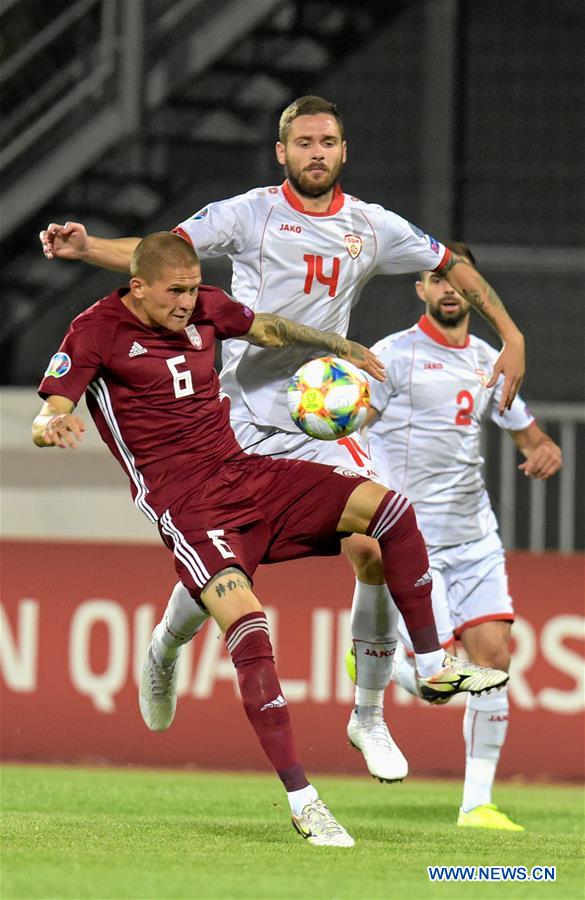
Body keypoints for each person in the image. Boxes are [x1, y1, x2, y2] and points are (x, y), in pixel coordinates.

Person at [39, 95, 525, 785]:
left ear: (344, 150)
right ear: (282, 152)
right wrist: (89, 247)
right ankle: (166, 646)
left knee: (375, 542)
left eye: (327, 141)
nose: (316, 153)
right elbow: (158, 257)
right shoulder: (249, 214)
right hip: (231, 418)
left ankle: (367, 715)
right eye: (303, 142)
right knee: (228, 570)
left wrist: (511, 336)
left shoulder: (373, 226)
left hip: (316, 417)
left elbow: (451, 263)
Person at [346, 241, 561, 830]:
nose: (447, 289)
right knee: (436, 685)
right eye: (435, 280)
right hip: (414, 541)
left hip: (475, 537)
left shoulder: (489, 359)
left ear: (472, 290)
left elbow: (528, 435)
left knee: (494, 661)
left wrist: (544, 449)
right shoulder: (393, 356)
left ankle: (477, 806)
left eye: (455, 280)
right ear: (420, 289)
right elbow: (350, 423)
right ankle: (380, 661)